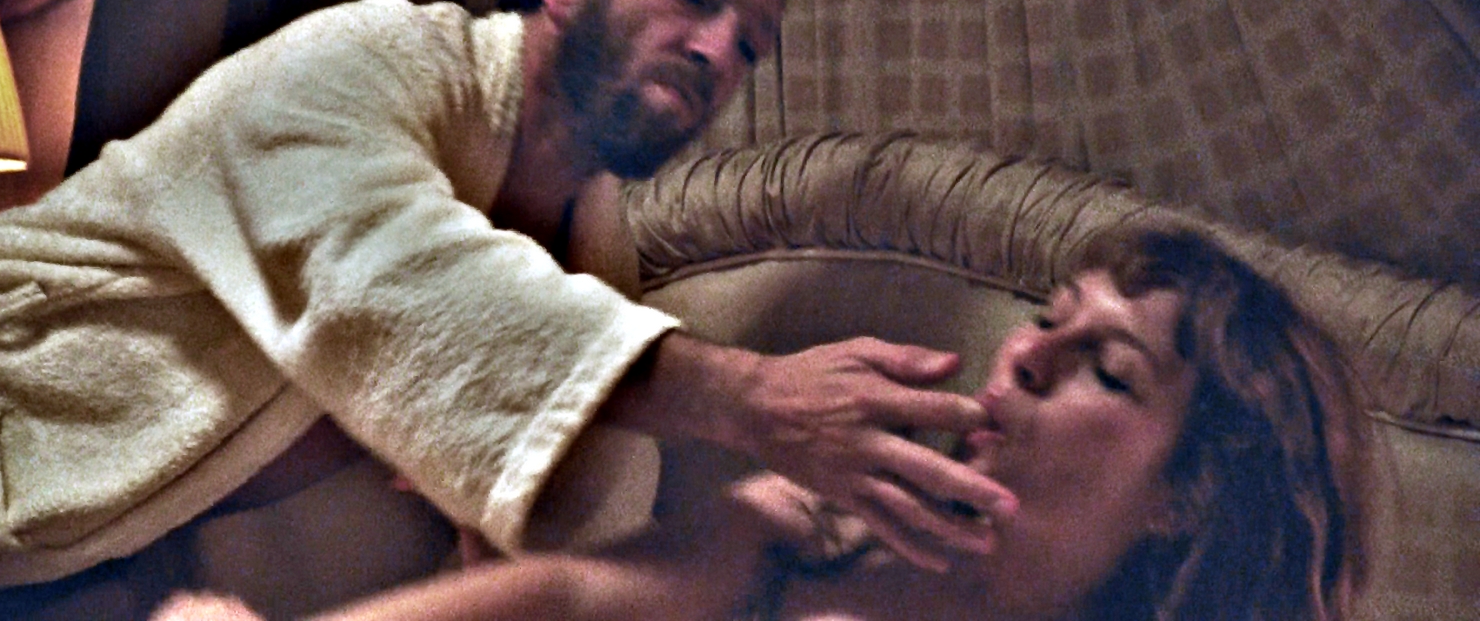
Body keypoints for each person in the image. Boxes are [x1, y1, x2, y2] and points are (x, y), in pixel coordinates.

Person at [0, 0, 1013, 616]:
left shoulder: (592, 247)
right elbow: (393, 275)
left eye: (751, 43)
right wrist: (758, 397)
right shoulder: (361, 62)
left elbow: (557, 520)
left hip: (93, 561)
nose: (719, 53)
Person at [153, 226, 1372, 621]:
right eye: (1047, 316)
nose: (1027, 351)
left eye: (1106, 368)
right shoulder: (815, 531)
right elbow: (572, 598)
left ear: (1188, 493)